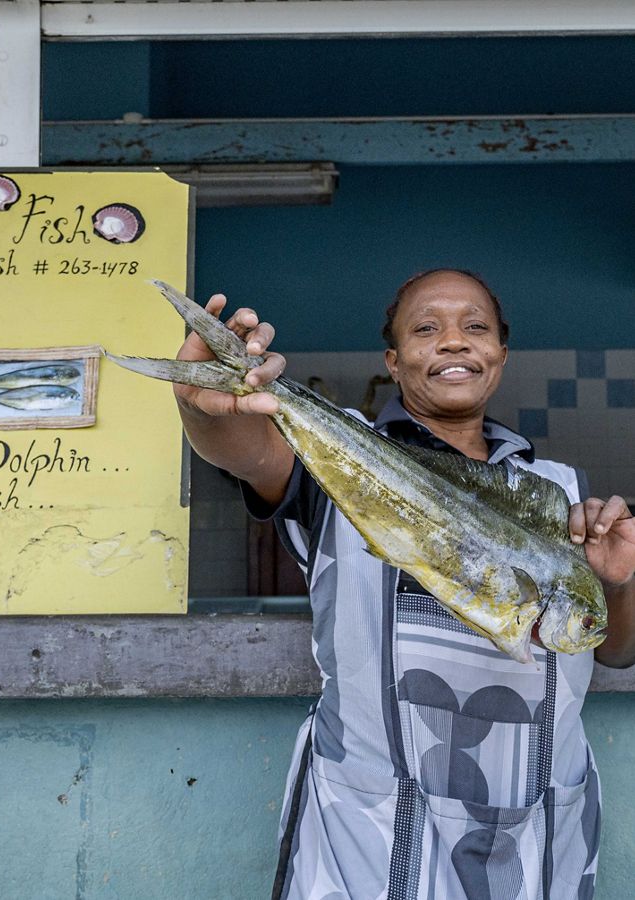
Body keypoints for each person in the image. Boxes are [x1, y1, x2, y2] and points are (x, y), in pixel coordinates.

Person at [174, 269, 635, 899]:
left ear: (501, 353)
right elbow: (245, 449)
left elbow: (612, 648)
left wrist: (619, 581)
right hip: (371, 824)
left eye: (476, 327)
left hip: (535, 825)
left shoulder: (559, 492)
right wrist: (201, 406)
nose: (453, 342)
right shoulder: (342, 459)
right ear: (393, 361)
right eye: (426, 329)